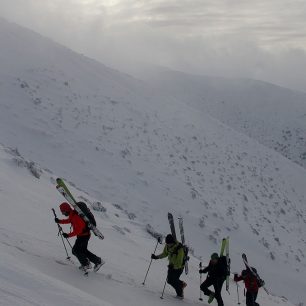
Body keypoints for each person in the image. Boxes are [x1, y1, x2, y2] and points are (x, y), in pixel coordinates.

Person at [55, 202, 104, 272]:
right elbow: (69, 220)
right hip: (83, 235)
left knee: (76, 250)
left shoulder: (75, 217)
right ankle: (98, 261)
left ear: (67, 210)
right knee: (83, 251)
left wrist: (68, 235)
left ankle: (86, 264)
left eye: (63, 212)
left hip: (83, 236)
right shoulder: (72, 214)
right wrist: (59, 221)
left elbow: (79, 230)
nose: (63, 213)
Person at [151, 234, 187, 299]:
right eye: (167, 243)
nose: (168, 245)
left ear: (172, 242)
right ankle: (182, 284)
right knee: (169, 280)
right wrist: (156, 257)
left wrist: (173, 267)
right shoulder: (167, 246)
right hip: (171, 265)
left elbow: (179, 262)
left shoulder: (179, 248)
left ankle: (180, 294)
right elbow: (165, 253)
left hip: (179, 268)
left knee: (174, 280)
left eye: (169, 244)